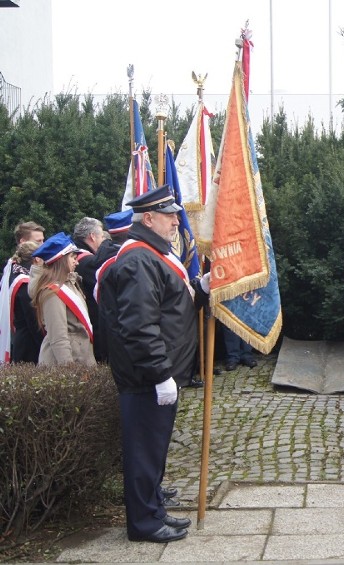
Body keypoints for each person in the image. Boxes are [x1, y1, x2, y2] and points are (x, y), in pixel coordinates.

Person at [99, 185, 209, 543]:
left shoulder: (151, 254)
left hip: (156, 374)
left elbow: (168, 305)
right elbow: (140, 325)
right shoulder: (139, 259)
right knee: (144, 452)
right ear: (149, 219)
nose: (177, 220)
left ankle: (154, 510)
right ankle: (144, 523)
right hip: (147, 376)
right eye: (169, 215)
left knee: (153, 449)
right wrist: (161, 373)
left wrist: (201, 288)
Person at [30, 232, 95, 367]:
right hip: (65, 361)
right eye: (72, 257)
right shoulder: (52, 292)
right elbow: (58, 337)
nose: (77, 262)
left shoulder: (70, 283)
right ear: (60, 259)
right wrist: (68, 370)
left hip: (79, 356)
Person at [1, 221, 45, 363]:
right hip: (29, 346)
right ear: (23, 242)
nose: (43, 245)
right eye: (38, 241)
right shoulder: (23, 277)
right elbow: (32, 319)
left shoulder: (12, 266)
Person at [72, 216, 111, 362]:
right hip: (94, 326)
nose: (103, 241)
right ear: (92, 237)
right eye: (102, 236)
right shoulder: (86, 261)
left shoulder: (76, 255)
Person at [9, 241, 43, 362]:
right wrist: (43, 343)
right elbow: (32, 319)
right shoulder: (25, 283)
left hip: (25, 339)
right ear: (36, 259)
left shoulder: (17, 274)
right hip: (28, 344)